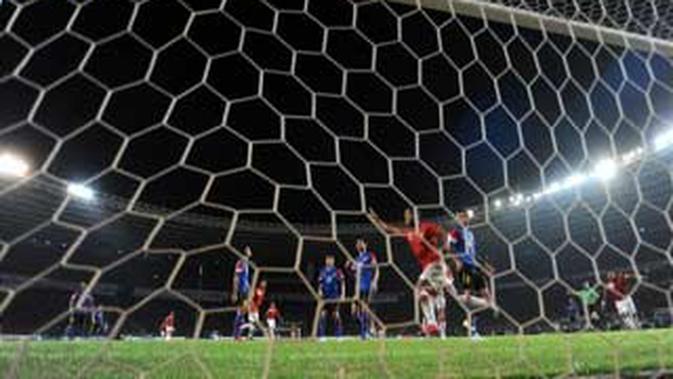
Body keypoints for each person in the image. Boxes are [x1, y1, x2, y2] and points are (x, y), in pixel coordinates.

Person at [369, 208, 455, 337]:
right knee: (433, 296)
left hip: (435, 264)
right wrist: (377, 221)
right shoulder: (409, 233)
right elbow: (390, 229)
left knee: (422, 290)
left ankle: (432, 325)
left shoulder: (426, 227)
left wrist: (444, 247)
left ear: (415, 216)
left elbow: (445, 235)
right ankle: (439, 329)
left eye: (407, 215)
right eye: (405, 215)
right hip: (429, 268)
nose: (405, 218)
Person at [447, 210, 494, 311]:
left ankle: (490, 308)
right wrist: (456, 260)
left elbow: (474, 252)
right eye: (460, 217)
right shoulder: (456, 232)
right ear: (457, 219)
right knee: (468, 294)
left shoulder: (470, 234)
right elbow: (449, 246)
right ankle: (462, 302)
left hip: (473, 264)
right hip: (464, 265)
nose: (463, 219)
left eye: (464, 217)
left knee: (485, 291)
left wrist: (485, 265)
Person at [346, 239, 379, 339]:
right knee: (354, 310)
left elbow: (376, 268)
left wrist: (375, 281)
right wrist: (348, 268)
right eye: (357, 243)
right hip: (358, 287)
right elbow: (353, 273)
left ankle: (365, 333)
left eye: (361, 243)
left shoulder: (370, 255)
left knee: (364, 309)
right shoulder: (356, 259)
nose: (359, 245)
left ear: (365, 244)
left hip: (367, 285)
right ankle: (367, 329)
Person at [318, 255, 345, 339]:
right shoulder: (322, 271)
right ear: (326, 261)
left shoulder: (337, 271)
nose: (329, 261)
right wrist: (320, 291)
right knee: (322, 315)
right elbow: (320, 284)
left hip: (334, 297)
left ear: (333, 261)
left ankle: (339, 335)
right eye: (327, 260)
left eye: (331, 260)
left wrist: (343, 294)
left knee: (336, 315)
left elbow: (343, 283)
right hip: (325, 298)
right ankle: (322, 336)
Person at [231, 246, 253, 339]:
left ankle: (238, 333)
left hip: (245, 289)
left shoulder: (246, 262)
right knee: (242, 311)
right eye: (248, 250)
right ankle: (236, 334)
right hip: (241, 290)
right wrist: (234, 293)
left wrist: (249, 288)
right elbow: (236, 278)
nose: (250, 251)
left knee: (244, 311)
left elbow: (245, 277)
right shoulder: (240, 263)